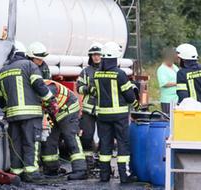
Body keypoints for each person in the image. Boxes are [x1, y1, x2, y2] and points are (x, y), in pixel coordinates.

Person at [0, 41, 58, 182]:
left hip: (12, 116)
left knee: (15, 144)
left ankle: (17, 173)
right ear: (25, 54)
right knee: (31, 142)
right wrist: (51, 100)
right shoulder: (30, 66)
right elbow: (38, 84)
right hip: (31, 114)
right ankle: (31, 173)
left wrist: (7, 110)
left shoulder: (2, 71)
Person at [93, 42, 138, 183]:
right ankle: (124, 176)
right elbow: (129, 96)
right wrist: (135, 102)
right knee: (123, 143)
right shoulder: (120, 74)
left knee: (105, 144)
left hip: (102, 116)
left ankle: (104, 176)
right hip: (119, 115)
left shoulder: (97, 74)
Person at [41, 79, 87, 180]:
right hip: (52, 113)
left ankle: (80, 170)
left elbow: (47, 102)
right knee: (49, 139)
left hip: (68, 109)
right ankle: (51, 169)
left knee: (70, 136)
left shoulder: (48, 88)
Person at [76, 42, 103, 169]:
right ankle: (88, 160)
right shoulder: (86, 71)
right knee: (86, 136)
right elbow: (78, 88)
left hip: (104, 109)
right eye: (93, 55)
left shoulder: (106, 70)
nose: (96, 57)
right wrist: (88, 89)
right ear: (90, 56)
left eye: (98, 55)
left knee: (104, 137)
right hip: (88, 110)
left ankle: (101, 160)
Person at [156, 48, 179, 114]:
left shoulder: (174, 67)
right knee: (168, 119)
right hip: (168, 100)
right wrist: (177, 84)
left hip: (176, 99)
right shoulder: (161, 69)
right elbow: (164, 83)